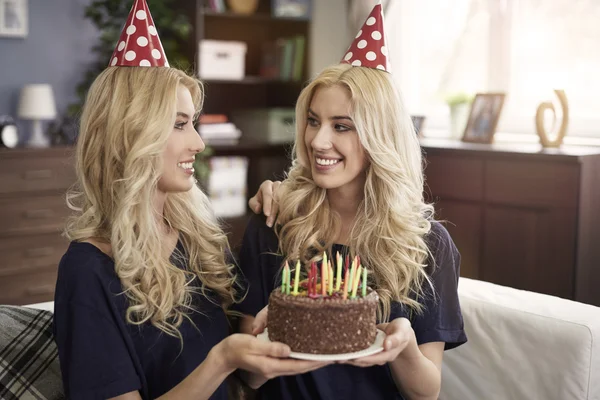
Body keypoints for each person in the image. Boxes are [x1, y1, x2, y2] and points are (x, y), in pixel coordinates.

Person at [52, 2, 328, 399]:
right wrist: (222, 360)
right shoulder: (87, 272)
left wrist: (269, 337)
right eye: (180, 124)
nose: (198, 143)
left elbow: (248, 375)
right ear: (131, 135)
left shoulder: (195, 241)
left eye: (193, 124)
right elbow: (225, 361)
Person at [237, 4, 467, 399]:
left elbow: (426, 392)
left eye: (341, 126)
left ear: (381, 137)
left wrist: (404, 345)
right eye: (313, 121)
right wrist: (259, 344)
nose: (317, 141)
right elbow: (247, 380)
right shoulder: (274, 222)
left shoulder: (427, 244)